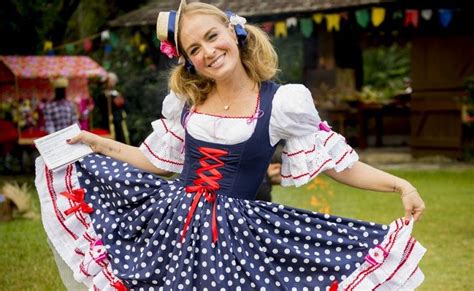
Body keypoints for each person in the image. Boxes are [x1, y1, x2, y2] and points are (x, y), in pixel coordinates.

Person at [35, 1, 426, 290]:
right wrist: (93, 143)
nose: (208, 52)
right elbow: (153, 162)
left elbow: (339, 165)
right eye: (194, 49)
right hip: (171, 229)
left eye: (212, 37)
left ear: (234, 34)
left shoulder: (282, 103)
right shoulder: (186, 105)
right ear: (188, 61)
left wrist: (400, 185)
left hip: (237, 237)